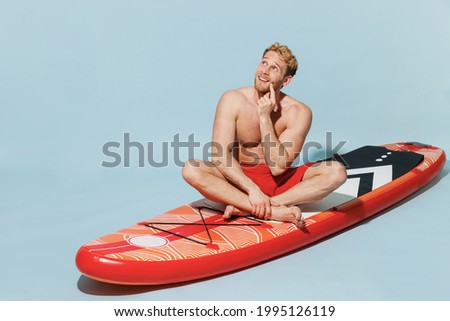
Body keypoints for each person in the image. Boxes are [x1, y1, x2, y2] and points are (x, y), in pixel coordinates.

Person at [182, 43, 346, 227]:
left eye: (274, 68)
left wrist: (264, 117)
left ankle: (252, 206)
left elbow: (277, 167)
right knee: (191, 168)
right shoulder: (233, 99)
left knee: (336, 172)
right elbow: (220, 157)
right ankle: (272, 210)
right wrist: (252, 190)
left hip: (279, 183)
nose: (265, 71)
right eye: (264, 63)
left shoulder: (298, 112)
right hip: (239, 182)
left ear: (286, 80)